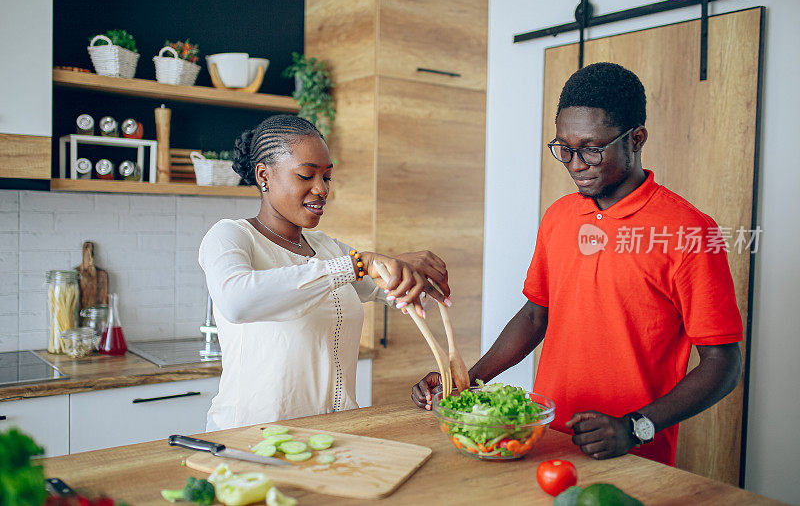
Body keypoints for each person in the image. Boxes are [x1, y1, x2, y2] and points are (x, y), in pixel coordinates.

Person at [412, 62, 743, 466]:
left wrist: (635, 426)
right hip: (543, 443)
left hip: (631, 452)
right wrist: (465, 382)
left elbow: (723, 364)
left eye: (591, 148)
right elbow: (535, 316)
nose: (575, 163)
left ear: (636, 139)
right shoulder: (559, 217)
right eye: (563, 149)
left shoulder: (689, 231)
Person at [200, 114, 450, 431]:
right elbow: (238, 300)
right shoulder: (231, 236)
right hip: (252, 441)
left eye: (327, 178)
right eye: (306, 175)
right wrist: (360, 264)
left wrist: (414, 275)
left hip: (336, 437)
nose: (321, 189)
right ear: (264, 175)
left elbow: (396, 293)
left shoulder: (327, 248)